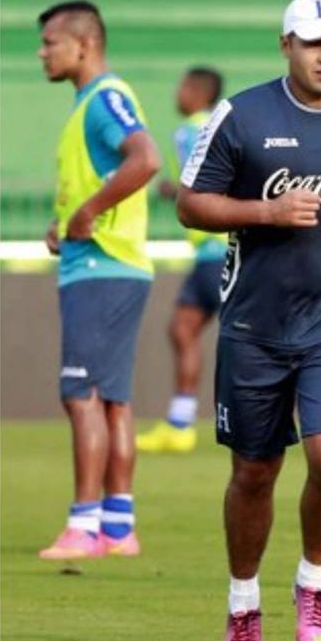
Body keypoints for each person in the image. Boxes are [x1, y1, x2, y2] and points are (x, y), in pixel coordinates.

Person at [177, 0, 321, 641]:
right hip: (254, 323)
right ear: (286, 45)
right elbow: (191, 205)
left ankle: (312, 583)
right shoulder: (242, 115)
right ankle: (243, 599)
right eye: (313, 43)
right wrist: (266, 213)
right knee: (254, 471)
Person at [36, 0, 162, 561]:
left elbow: (146, 159)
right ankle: (117, 525)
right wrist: (67, 218)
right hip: (116, 265)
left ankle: (83, 525)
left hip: (99, 268)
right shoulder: (92, 104)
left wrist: (87, 214)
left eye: (50, 42)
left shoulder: (105, 98)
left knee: (82, 394)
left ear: (83, 45)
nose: (42, 53)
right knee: (112, 399)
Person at [137, 67, 226, 454]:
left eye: (182, 86)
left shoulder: (191, 130)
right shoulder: (221, 126)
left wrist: (174, 190)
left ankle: (276, 418)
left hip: (219, 248)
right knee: (183, 327)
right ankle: (180, 423)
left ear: (196, 91)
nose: (177, 93)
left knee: (245, 338)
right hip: (213, 251)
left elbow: (206, 182)